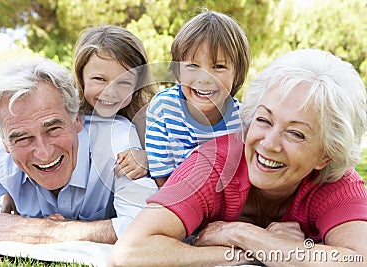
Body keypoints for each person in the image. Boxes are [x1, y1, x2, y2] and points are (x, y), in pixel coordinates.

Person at [109, 49, 367, 266]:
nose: (269, 144)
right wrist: (251, 252)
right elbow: (130, 251)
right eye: (264, 120)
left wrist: (240, 233)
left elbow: (358, 260)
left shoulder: (336, 182)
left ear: (326, 155)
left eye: (296, 134)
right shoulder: (211, 164)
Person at [0, 57, 157, 244]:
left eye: (53, 129)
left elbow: (145, 228)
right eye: (23, 138)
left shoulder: (116, 139)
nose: (44, 153)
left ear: (76, 119)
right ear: (5, 142)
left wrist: (38, 231)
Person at [145, 9, 251, 187]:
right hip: (171, 196)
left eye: (218, 66)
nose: (204, 78)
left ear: (237, 73)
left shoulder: (242, 121)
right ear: (178, 70)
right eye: (193, 65)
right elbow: (161, 179)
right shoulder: (163, 108)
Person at [74, 25, 155, 179]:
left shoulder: (145, 118)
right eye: (99, 79)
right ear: (81, 77)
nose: (110, 93)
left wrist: (147, 158)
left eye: (124, 82)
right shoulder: (67, 111)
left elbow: (174, 157)